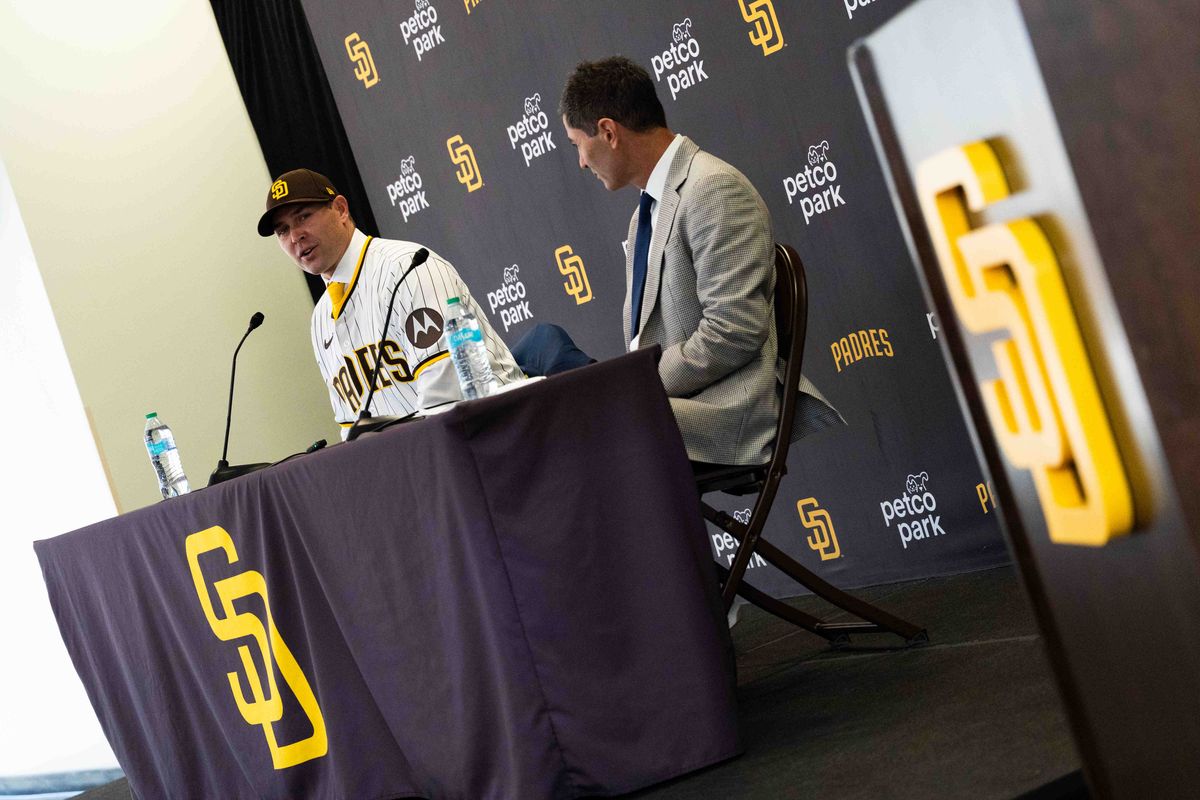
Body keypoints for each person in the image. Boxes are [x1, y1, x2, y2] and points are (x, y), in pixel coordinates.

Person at [558, 56, 843, 467]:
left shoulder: (714, 189)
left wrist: (637, 387)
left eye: (577, 146)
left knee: (580, 435)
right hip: (665, 408)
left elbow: (734, 331)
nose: (582, 162)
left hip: (723, 416)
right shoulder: (644, 215)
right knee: (567, 427)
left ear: (608, 132)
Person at [258, 168, 522, 435]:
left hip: (498, 431)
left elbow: (448, 390)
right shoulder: (320, 319)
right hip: (424, 449)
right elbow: (351, 428)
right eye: (283, 230)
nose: (295, 236)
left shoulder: (407, 267)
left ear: (340, 209)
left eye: (303, 216)